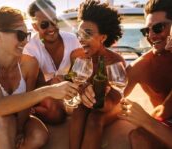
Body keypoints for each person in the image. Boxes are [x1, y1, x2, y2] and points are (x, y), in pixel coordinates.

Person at [0, 6, 78, 149]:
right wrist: (48, 90)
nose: (25, 41)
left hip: (21, 119)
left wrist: (21, 129)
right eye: (20, 35)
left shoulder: (30, 64)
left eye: (27, 35)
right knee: (6, 122)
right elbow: (0, 107)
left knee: (40, 135)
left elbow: (26, 106)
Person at [69, 1, 126, 149]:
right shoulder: (77, 57)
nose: (81, 38)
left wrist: (97, 98)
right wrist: (82, 89)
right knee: (78, 111)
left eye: (87, 33)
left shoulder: (115, 61)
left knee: (95, 118)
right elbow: (73, 83)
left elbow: (115, 98)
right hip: (88, 103)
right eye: (79, 33)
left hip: (110, 104)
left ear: (103, 37)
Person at [120, 0, 172, 148]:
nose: (151, 36)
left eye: (158, 28)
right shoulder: (141, 66)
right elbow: (112, 98)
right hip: (166, 123)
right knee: (138, 137)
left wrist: (147, 120)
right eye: (146, 31)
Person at [22, 0, 81, 124]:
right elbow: (30, 88)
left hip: (67, 90)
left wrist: (66, 79)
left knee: (84, 108)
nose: (51, 28)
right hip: (41, 93)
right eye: (44, 24)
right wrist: (51, 84)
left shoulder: (72, 40)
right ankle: (27, 111)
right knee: (56, 115)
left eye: (54, 21)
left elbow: (80, 71)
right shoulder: (30, 49)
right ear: (35, 27)